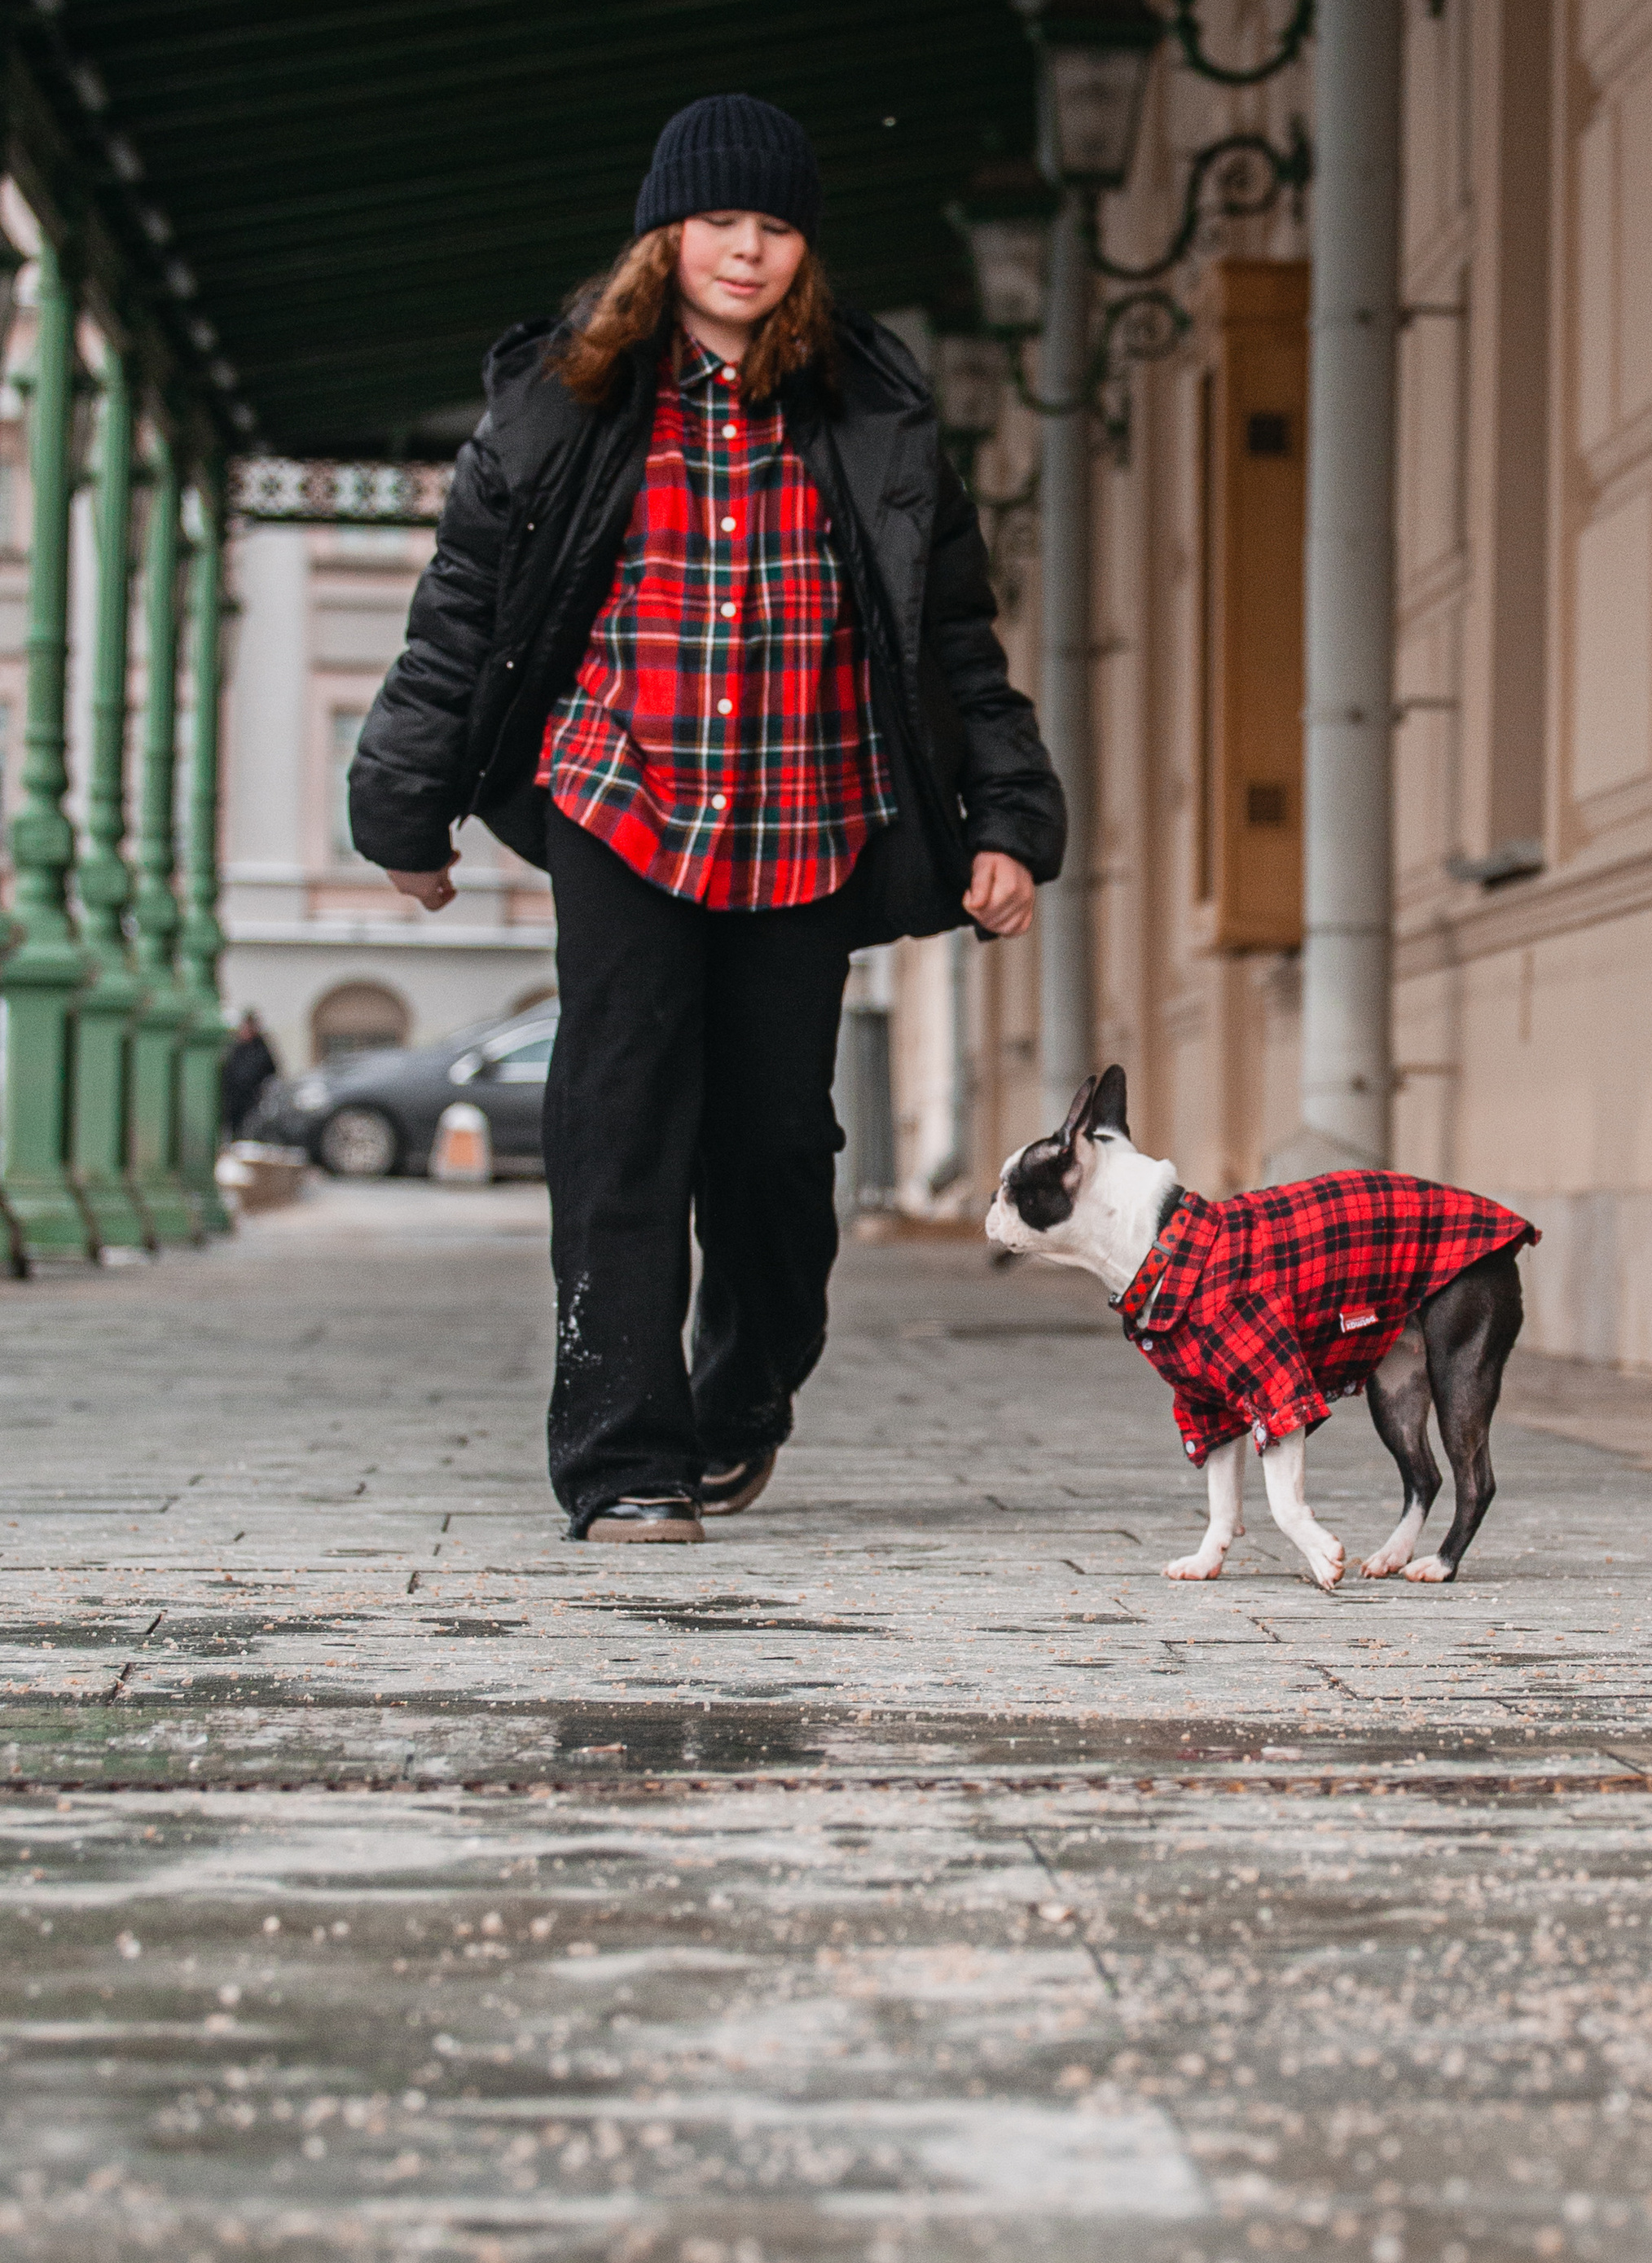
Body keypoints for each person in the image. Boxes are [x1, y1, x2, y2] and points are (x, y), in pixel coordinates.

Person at [348, 94, 1065, 1545]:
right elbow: (460, 622)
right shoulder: (563, 400)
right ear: (665, 235)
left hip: (810, 816)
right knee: (619, 1126)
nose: (747, 251)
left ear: (807, 246)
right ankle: (621, 1453)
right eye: (721, 223)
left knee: (777, 1145)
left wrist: (1009, 814)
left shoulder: (873, 407)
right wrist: (406, 808)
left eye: (777, 226)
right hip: (623, 803)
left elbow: (955, 638)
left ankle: (743, 1394)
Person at [220, 1009, 279, 1140]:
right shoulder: (235, 1048)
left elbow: (271, 1073)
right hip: (232, 1101)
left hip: (252, 1102)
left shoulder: (261, 1049)